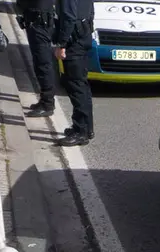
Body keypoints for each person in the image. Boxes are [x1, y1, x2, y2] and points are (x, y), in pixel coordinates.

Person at [53, 0, 94, 146]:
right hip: (83, 36)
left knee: (76, 87)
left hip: (74, 42)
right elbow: (90, 11)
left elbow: (68, 16)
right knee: (82, 87)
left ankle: (80, 131)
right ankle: (87, 128)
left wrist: (61, 44)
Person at [16, 0, 57, 117]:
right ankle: (45, 99)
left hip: (40, 22)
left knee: (43, 63)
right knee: (39, 63)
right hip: (35, 19)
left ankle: (48, 104)